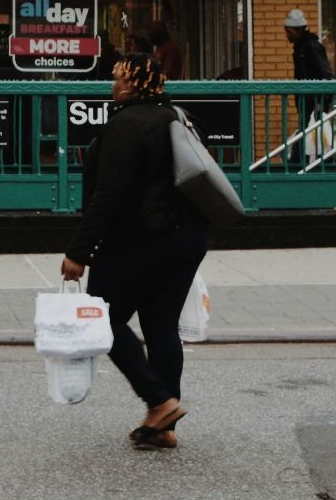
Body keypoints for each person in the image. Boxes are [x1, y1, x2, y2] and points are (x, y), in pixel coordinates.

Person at [59, 53, 208, 451]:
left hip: (142, 240)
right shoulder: (178, 116)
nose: (113, 84)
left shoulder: (127, 125)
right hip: (185, 240)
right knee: (161, 327)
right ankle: (163, 426)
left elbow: (108, 197)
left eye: (119, 78)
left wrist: (79, 252)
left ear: (134, 83)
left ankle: (159, 401)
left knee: (100, 315)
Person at [284, 9, 336, 133]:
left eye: (290, 32)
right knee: (309, 140)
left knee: (312, 140)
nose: (287, 35)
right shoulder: (300, 47)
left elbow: (327, 75)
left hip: (315, 104)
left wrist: (321, 103)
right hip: (306, 102)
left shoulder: (312, 46)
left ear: (299, 30)